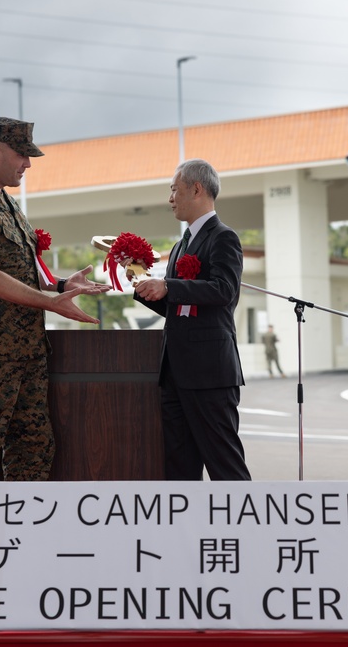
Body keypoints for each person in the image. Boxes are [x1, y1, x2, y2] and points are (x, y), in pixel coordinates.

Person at [0, 117, 110, 482]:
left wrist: (60, 286)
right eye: (22, 155)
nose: (28, 164)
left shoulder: (7, 205)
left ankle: (21, 534)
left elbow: (21, 272)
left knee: (33, 451)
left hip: (26, 355)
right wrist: (51, 303)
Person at [132, 158, 251, 481]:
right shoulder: (181, 243)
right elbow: (178, 307)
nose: (170, 198)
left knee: (224, 462)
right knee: (179, 466)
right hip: (175, 372)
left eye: (174, 190)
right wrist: (142, 285)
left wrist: (168, 285)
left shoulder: (223, 237)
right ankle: (187, 532)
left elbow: (224, 291)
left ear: (196, 189)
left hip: (209, 373)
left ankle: (246, 530)